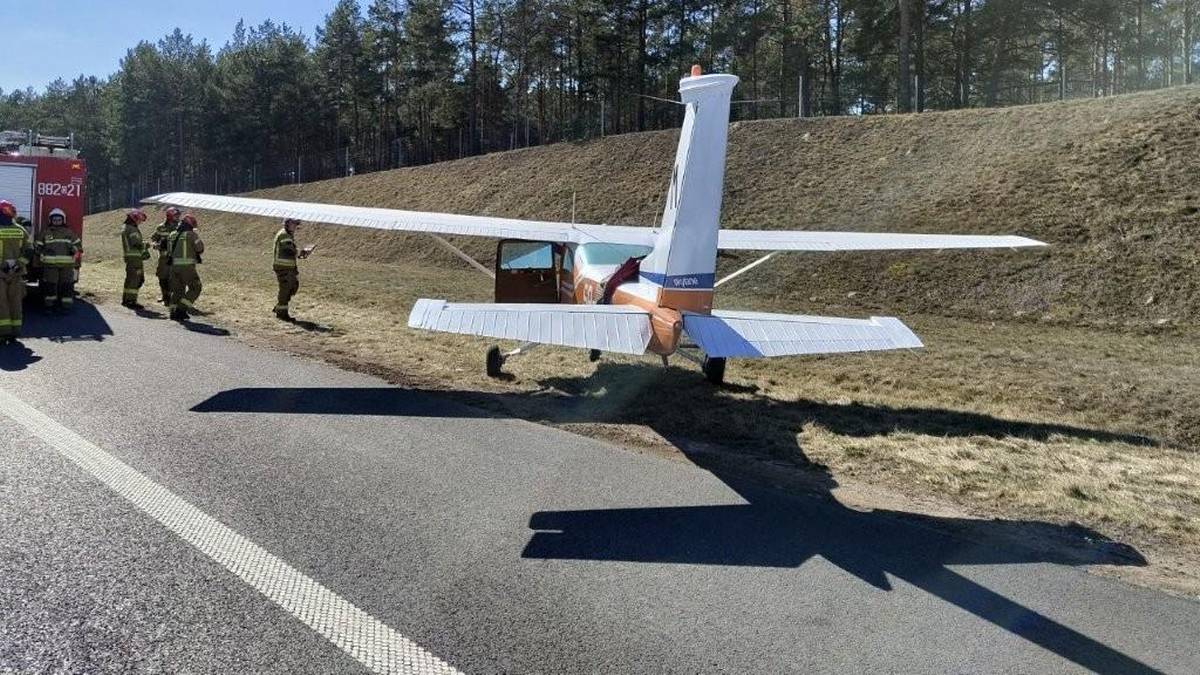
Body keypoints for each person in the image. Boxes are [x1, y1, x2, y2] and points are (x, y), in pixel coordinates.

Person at [0, 200, 34, 344]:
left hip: (1, 272)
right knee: (15, 302)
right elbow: (29, 250)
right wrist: (19, 265)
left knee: (2, 302)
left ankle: (4, 333)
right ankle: (14, 332)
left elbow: (29, 249)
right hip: (17, 272)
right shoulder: (21, 230)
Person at [35, 207, 82, 311]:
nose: (57, 221)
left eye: (59, 219)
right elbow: (37, 246)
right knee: (50, 286)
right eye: (54, 219)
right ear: (50, 220)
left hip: (67, 266)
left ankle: (66, 306)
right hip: (50, 266)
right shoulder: (45, 233)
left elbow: (78, 246)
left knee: (67, 286)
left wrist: (74, 251)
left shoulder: (69, 233)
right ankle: (49, 306)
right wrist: (42, 253)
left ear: (63, 220)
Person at [166, 213, 204, 321]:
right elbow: (200, 248)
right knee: (196, 287)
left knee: (177, 290)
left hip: (173, 267)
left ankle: (173, 312)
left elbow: (169, 251)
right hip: (187, 267)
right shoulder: (191, 234)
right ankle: (181, 309)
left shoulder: (172, 234)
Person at [272, 217, 311, 320]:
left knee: (293, 286)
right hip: (283, 267)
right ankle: (282, 313)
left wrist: (300, 253)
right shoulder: (284, 235)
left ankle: (280, 307)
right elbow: (289, 249)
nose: (295, 226)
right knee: (286, 288)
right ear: (287, 224)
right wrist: (300, 252)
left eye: (296, 224)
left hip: (288, 267)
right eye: (294, 224)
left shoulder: (287, 234)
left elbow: (291, 250)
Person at [120, 208, 151, 308]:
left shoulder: (126, 227)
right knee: (136, 279)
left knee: (130, 279)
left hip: (130, 257)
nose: (140, 222)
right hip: (134, 258)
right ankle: (131, 301)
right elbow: (136, 244)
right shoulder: (132, 229)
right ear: (134, 218)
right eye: (139, 220)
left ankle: (126, 299)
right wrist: (147, 245)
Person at [150, 207, 181, 305]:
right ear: (170, 216)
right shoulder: (161, 227)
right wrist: (156, 245)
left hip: (176, 258)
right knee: (162, 277)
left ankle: (174, 298)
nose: (178, 217)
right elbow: (154, 239)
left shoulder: (180, 227)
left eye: (178, 215)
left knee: (175, 278)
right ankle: (165, 297)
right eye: (176, 215)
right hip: (163, 258)